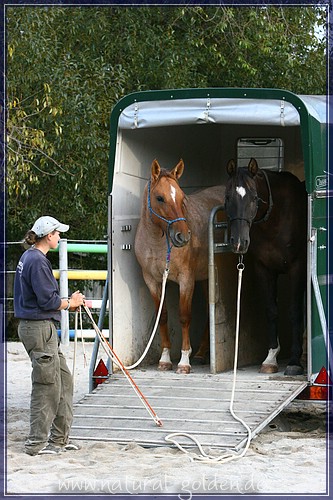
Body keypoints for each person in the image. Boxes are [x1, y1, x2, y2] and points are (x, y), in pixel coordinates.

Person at [13, 215, 85, 456]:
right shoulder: (37, 261)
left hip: (40, 328)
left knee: (63, 381)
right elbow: (48, 300)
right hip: (39, 327)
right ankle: (37, 444)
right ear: (49, 235)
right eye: (57, 233)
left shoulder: (30, 257)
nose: (60, 237)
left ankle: (59, 440)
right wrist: (71, 302)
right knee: (46, 386)